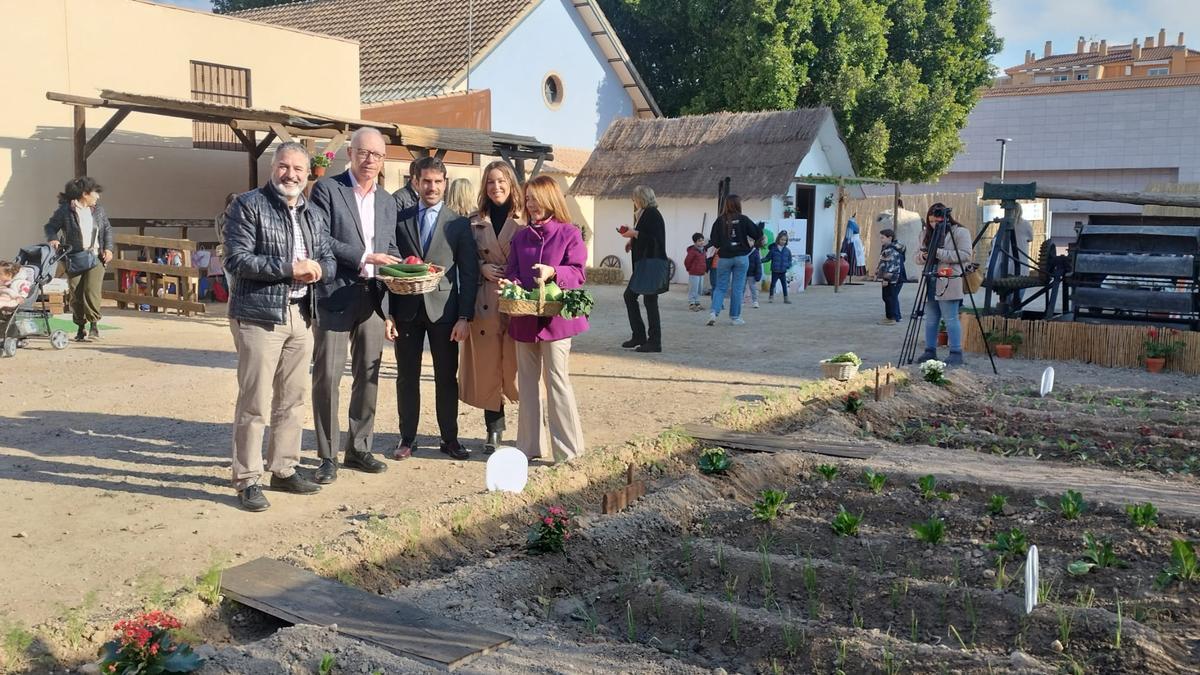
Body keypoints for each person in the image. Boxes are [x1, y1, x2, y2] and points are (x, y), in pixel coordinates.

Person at [223, 142, 335, 512]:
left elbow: (329, 258)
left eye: (298, 169)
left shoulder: (312, 212)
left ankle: (284, 468)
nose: (291, 175)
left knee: (293, 397)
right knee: (254, 400)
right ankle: (247, 478)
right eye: (284, 167)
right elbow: (237, 260)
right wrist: (290, 269)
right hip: (258, 315)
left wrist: (319, 270)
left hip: (300, 314)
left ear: (307, 173)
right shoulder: (248, 205)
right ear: (273, 168)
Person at [307, 127, 399, 484]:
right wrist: (364, 256)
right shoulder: (328, 189)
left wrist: (401, 277)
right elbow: (320, 239)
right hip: (335, 294)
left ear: (383, 160)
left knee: (368, 375)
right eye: (363, 152)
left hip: (373, 297)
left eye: (376, 155)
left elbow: (389, 248)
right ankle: (328, 456)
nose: (369, 160)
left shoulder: (387, 201)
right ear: (350, 153)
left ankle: (359, 448)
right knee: (328, 377)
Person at [384, 156, 479, 460]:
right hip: (407, 310)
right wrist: (388, 313)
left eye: (438, 182)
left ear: (445, 183)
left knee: (446, 378)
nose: (432, 187)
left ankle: (449, 439)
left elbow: (469, 274)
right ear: (415, 182)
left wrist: (464, 317)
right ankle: (407, 438)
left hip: (444, 312)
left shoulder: (458, 224)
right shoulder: (400, 220)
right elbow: (388, 268)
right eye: (426, 181)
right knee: (406, 377)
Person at [500, 175, 587, 463]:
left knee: (557, 382)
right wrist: (510, 285)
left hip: (556, 322)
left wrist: (554, 272)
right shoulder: (520, 237)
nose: (531, 205)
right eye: (527, 199)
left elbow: (578, 273)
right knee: (526, 384)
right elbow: (513, 271)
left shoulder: (569, 233)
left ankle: (569, 452)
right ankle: (529, 447)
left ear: (550, 199)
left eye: (535, 199)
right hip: (524, 319)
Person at [460, 161, 525, 454]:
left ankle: (530, 427)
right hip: (485, 299)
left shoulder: (525, 219)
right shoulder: (473, 221)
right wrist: (481, 267)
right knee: (488, 366)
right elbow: (463, 258)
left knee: (518, 364)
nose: (496, 187)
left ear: (511, 184)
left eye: (501, 181)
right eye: (490, 181)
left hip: (516, 297)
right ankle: (494, 429)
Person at [44, 176, 113, 342]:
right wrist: (53, 239)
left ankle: (94, 326)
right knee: (76, 293)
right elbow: (50, 227)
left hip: (96, 256)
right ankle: (80, 327)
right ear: (85, 194)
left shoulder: (98, 210)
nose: (98, 196)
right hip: (74, 257)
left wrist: (109, 249)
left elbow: (107, 230)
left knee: (91, 291)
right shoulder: (65, 210)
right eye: (95, 192)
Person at [916, 203, 973, 366]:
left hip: (949, 280)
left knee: (951, 318)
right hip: (929, 280)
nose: (934, 224)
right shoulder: (924, 234)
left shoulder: (960, 232)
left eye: (937, 221)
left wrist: (938, 253)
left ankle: (956, 352)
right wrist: (923, 256)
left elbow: (965, 255)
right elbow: (916, 256)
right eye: (931, 221)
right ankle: (930, 350)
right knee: (931, 319)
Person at [620, 185, 666, 353]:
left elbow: (655, 239)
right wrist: (632, 240)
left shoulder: (651, 214)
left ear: (641, 198)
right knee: (637, 298)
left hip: (651, 263)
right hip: (647, 263)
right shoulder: (645, 213)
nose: (634, 200)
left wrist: (634, 234)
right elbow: (645, 235)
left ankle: (653, 341)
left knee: (647, 300)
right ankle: (640, 336)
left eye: (635, 198)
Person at [705, 195, 761, 326]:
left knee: (720, 287)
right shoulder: (743, 219)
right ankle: (735, 317)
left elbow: (715, 242)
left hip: (724, 257)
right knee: (737, 288)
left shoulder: (719, 220)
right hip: (741, 257)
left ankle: (714, 312)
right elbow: (757, 234)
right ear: (738, 204)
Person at [875, 228, 907, 325]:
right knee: (893, 296)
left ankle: (891, 318)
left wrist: (886, 279)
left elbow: (891, 265)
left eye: (882, 238)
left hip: (892, 278)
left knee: (888, 297)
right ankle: (897, 316)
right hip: (898, 276)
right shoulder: (897, 247)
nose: (881, 240)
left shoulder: (890, 250)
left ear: (890, 238)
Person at [767, 230, 792, 303]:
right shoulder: (773, 249)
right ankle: (771, 297)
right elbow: (767, 258)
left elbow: (790, 260)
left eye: (785, 240)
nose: (783, 241)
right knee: (773, 284)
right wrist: (760, 261)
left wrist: (788, 265)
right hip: (775, 271)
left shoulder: (787, 251)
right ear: (778, 239)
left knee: (784, 285)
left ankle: (786, 299)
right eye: (782, 239)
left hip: (783, 271)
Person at [684, 233, 707, 311]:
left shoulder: (703, 250)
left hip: (701, 273)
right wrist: (690, 269)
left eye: (702, 240)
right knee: (693, 288)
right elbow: (687, 261)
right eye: (699, 241)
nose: (701, 242)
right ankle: (692, 303)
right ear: (695, 242)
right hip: (694, 273)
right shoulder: (692, 251)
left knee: (699, 289)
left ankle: (697, 302)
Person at [744, 240, 763, 309]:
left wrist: (758, 274)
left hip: (751, 274)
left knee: (753, 288)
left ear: (754, 242)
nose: (749, 242)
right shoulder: (742, 250)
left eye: (751, 240)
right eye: (747, 240)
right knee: (741, 287)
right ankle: (740, 301)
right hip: (743, 272)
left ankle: (755, 301)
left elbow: (758, 264)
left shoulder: (755, 251)